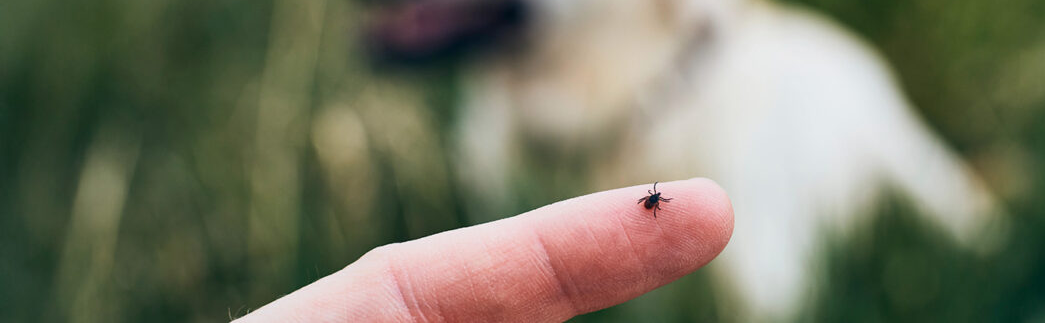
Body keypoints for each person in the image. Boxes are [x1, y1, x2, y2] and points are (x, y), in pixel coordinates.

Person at [238, 179, 734, 322]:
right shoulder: (651, 202)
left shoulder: (648, 202)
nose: (653, 202)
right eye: (653, 200)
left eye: (653, 200)